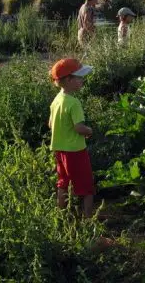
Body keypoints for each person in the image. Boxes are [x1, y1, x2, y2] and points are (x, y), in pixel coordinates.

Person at [48, 58, 95, 218]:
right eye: (79, 77)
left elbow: (50, 124)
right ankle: (90, 221)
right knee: (87, 188)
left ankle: (61, 216)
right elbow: (79, 128)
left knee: (63, 183)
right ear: (69, 80)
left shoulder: (57, 100)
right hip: (75, 151)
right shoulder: (74, 103)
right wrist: (89, 131)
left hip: (59, 150)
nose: (82, 80)